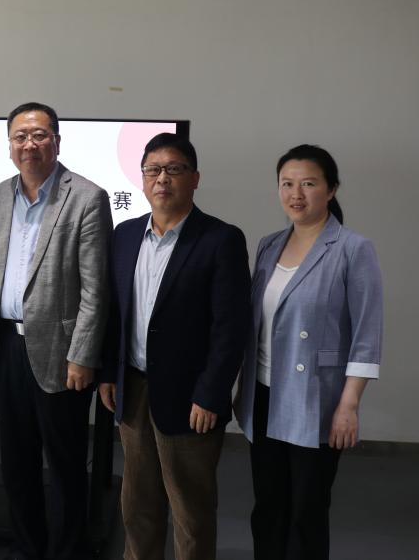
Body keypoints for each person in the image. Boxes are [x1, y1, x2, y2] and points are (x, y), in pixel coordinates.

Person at [98, 133, 251, 560]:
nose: (162, 178)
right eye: (153, 170)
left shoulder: (220, 239)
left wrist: (211, 393)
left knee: (190, 510)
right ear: (142, 179)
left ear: (194, 178)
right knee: (137, 503)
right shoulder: (126, 235)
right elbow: (115, 311)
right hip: (134, 387)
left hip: (190, 397)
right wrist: (109, 372)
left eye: (174, 169)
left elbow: (230, 327)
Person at [234, 144, 382, 560]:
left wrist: (348, 405)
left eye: (308, 184)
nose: (295, 194)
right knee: (268, 506)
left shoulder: (352, 248)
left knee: (306, 511)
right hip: (264, 394)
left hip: (315, 398)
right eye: (286, 184)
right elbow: (256, 326)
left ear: (331, 189)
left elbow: (367, 334)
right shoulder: (269, 245)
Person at [0, 102, 113, 560]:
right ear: (9, 145)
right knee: (16, 461)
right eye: (20, 136)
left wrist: (83, 355)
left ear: (56, 141)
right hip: (7, 346)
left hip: (62, 351)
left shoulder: (87, 197)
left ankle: (66, 550)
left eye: (39, 135)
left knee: (64, 463)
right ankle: (26, 547)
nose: (29, 144)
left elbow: (96, 288)